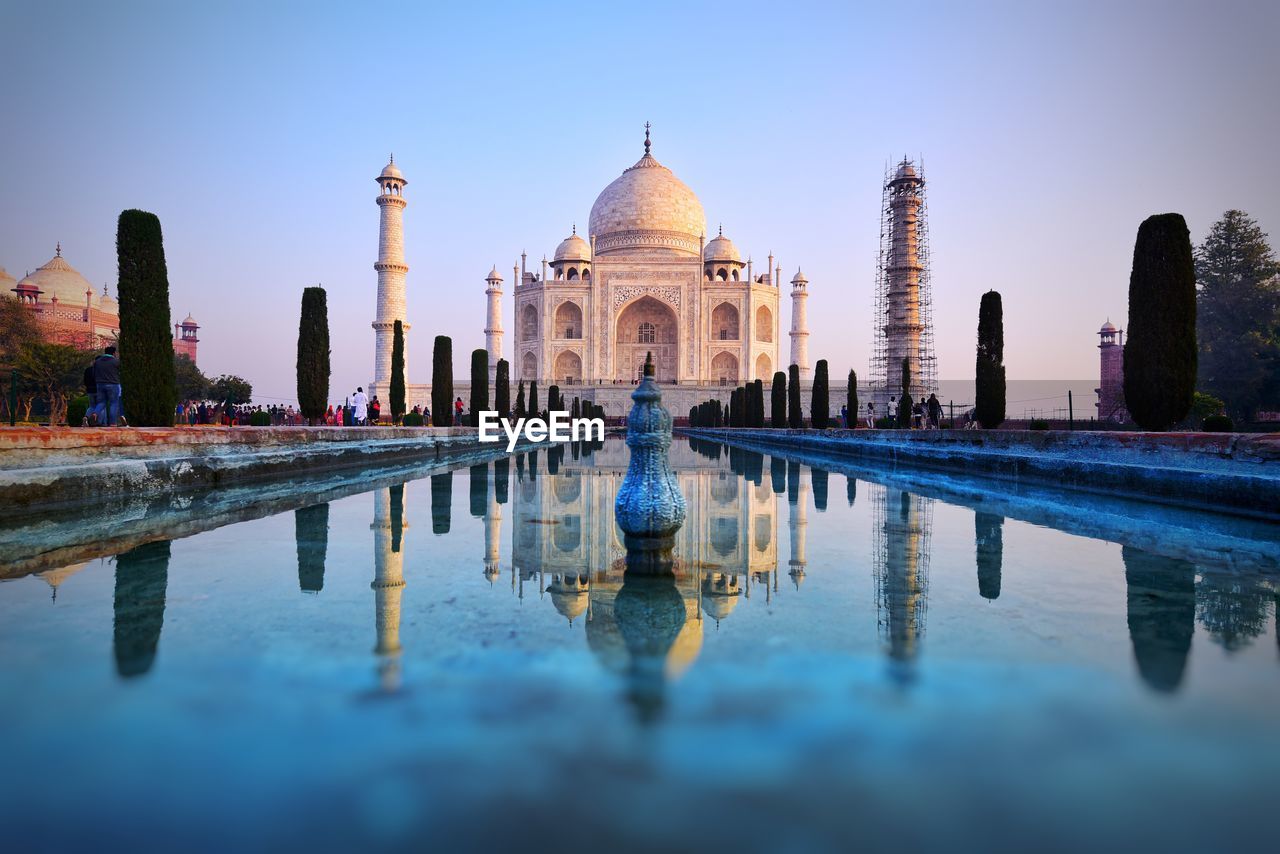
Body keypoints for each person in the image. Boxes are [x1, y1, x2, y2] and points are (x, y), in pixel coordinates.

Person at [92, 345, 124, 426]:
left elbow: (93, 373)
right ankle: (113, 423)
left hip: (100, 384)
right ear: (114, 353)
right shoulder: (116, 362)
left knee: (101, 402)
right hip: (113, 384)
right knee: (114, 403)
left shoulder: (97, 362)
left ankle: (95, 413)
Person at [81, 361, 98, 426]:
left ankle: (86, 417)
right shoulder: (99, 371)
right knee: (101, 406)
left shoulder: (87, 370)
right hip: (98, 390)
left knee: (91, 406)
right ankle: (99, 422)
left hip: (90, 390)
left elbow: (85, 381)